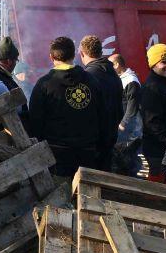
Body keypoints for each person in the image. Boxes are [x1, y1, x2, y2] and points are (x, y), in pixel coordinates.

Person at [26, 36, 108, 175]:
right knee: (85, 194)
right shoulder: (92, 81)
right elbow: (103, 115)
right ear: (75, 54)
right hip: (87, 152)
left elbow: (35, 121)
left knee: (60, 193)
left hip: (56, 154)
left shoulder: (44, 84)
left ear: (51, 57)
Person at [78, 36, 123, 169]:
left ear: (82, 53)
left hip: (94, 144)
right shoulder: (113, 73)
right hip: (110, 138)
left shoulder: (87, 76)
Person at [138, 44, 166, 181]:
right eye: (164, 62)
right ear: (153, 65)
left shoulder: (165, 85)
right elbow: (152, 123)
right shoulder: (152, 88)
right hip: (157, 155)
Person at [109, 52, 143, 175]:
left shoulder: (131, 80)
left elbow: (132, 105)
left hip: (131, 129)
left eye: (110, 65)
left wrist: (123, 123)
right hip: (123, 127)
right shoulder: (121, 79)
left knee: (131, 158)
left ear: (117, 64)